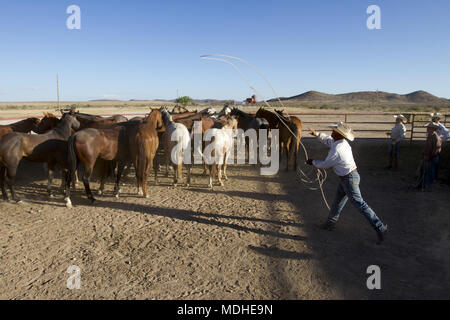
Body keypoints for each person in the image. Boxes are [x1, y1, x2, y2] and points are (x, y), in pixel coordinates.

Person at [306, 122, 388, 244]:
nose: (332, 132)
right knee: (338, 202)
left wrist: (313, 162)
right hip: (348, 178)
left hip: (348, 179)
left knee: (360, 204)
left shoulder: (337, 149)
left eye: (334, 131)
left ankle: (380, 227)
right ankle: (330, 223)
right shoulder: (340, 143)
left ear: (339, 134)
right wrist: (317, 134)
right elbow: (328, 140)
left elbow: (325, 164)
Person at [420, 122, 442, 191]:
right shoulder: (430, 136)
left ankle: (428, 187)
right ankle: (423, 185)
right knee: (424, 171)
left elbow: (436, 150)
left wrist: (429, 157)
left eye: (428, 128)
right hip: (427, 156)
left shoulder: (436, 138)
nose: (427, 129)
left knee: (430, 172)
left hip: (432, 157)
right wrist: (423, 153)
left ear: (433, 129)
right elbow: (427, 146)